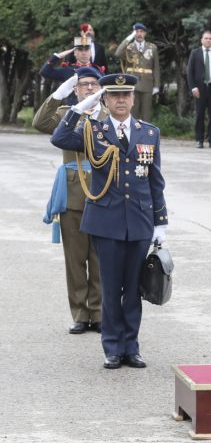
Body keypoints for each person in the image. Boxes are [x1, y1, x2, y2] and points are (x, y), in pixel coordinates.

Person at [51, 73, 168, 369]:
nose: (120, 100)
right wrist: (79, 108)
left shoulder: (149, 132)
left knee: (133, 288)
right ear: (104, 99)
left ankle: (132, 346)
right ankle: (113, 347)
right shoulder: (93, 130)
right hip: (106, 221)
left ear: (133, 99)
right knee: (111, 287)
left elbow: (156, 181)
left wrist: (160, 222)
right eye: (114, 95)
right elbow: (59, 138)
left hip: (139, 222)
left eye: (126, 95)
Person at [33, 67, 104, 335]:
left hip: (101, 192)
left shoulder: (109, 117)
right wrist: (59, 94)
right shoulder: (66, 115)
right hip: (73, 194)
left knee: (99, 259)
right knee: (75, 259)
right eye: (83, 85)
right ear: (75, 90)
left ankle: (98, 313)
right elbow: (40, 122)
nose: (89, 88)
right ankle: (80, 313)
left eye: (93, 84)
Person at [115, 23, 161, 122]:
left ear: (145, 33)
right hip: (132, 84)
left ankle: (145, 136)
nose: (139, 34)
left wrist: (156, 86)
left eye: (141, 32)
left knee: (146, 115)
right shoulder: (129, 47)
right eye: (137, 32)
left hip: (147, 84)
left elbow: (156, 67)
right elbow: (117, 53)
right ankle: (132, 136)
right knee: (132, 113)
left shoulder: (152, 48)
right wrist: (129, 37)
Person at [41, 35, 105, 101]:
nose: (83, 53)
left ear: (91, 52)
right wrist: (58, 56)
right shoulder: (68, 70)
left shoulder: (98, 71)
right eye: (80, 50)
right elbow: (45, 71)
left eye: (86, 50)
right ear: (74, 53)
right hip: (73, 109)